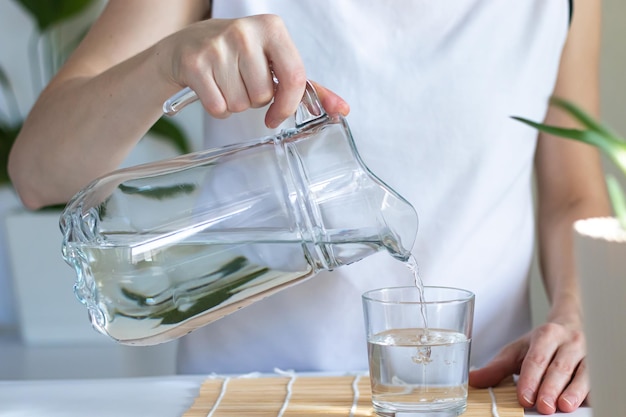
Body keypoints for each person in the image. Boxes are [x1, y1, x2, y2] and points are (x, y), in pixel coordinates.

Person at [8, 1, 609, 414]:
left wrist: (583, 313)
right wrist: (166, 60)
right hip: (242, 395)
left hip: (481, 396)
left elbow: (573, 193)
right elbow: (37, 172)